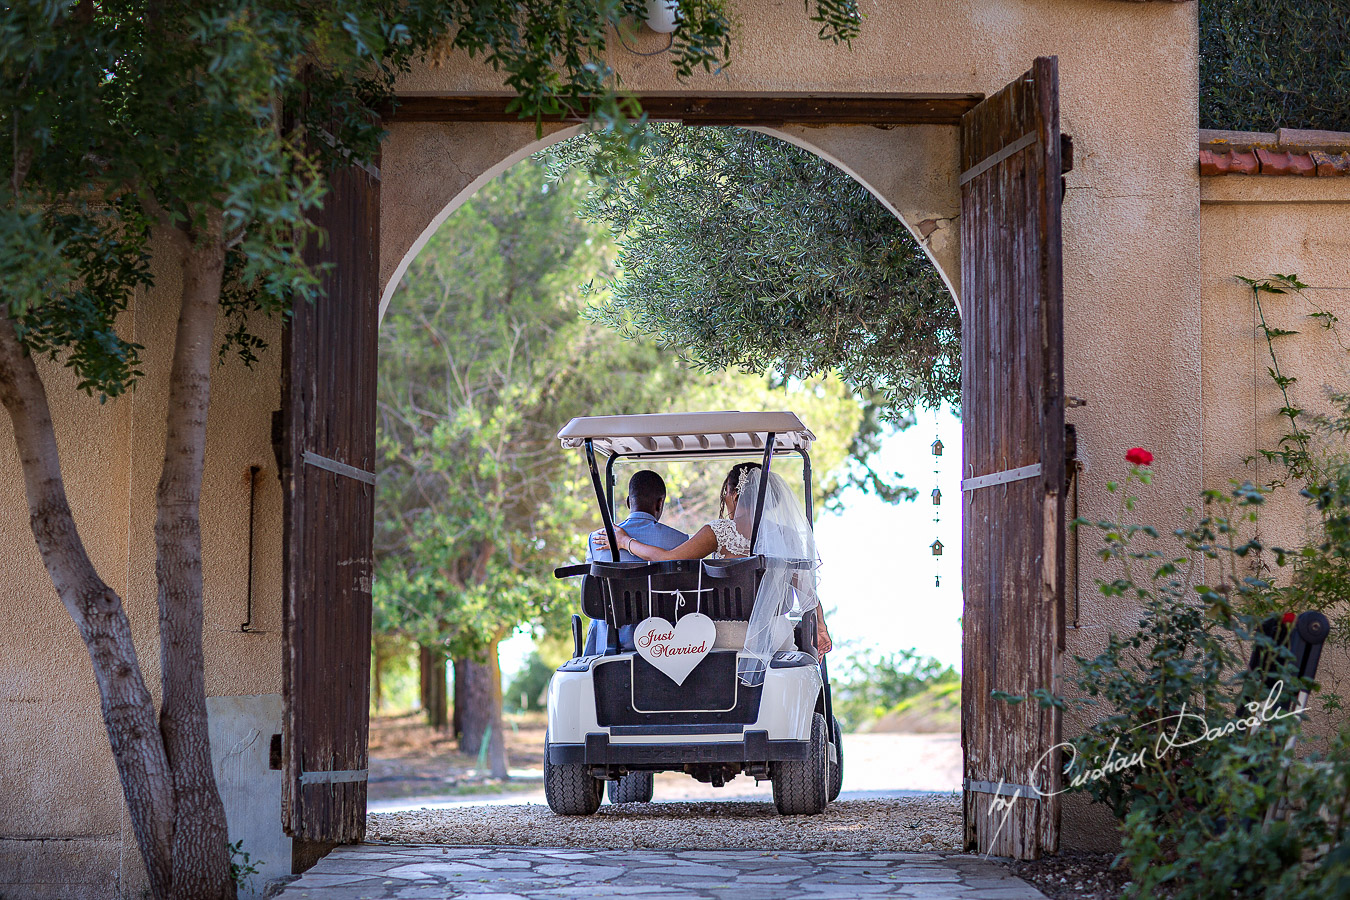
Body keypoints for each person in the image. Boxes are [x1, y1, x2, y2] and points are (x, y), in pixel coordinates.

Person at [592, 462, 831, 682]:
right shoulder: (786, 535)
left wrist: (625, 542)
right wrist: (821, 627)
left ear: (734, 494)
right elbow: (807, 592)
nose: (725, 500)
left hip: (726, 636)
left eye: (725, 493)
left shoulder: (720, 531)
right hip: (775, 635)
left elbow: (666, 560)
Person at [583, 470, 688, 655]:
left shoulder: (596, 540)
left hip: (610, 643)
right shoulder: (680, 541)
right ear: (660, 503)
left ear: (629, 502)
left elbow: (594, 598)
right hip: (663, 643)